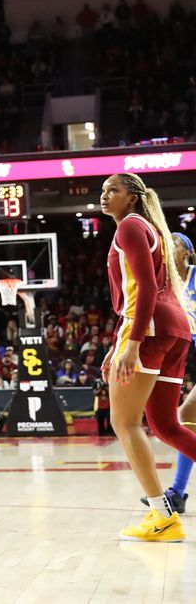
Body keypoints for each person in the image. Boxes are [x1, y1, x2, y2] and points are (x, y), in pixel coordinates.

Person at [99, 173, 196, 541]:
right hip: (175, 329)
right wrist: (118, 344)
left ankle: (162, 517)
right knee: (167, 426)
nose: (106, 196)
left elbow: (146, 289)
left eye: (114, 191)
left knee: (123, 423)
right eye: (103, 191)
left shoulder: (129, 228)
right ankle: (163, 515)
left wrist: (132, 343)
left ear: (133, 197)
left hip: (150, 328)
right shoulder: (149, 227)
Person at [143, 232, 196, 515]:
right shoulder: (168, 284)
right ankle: (177, 492)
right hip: (191, 357)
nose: (168, 245)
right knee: (186, 419)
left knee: (184, 418)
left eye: (175, 242)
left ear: (188, 252)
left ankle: (177, 492)